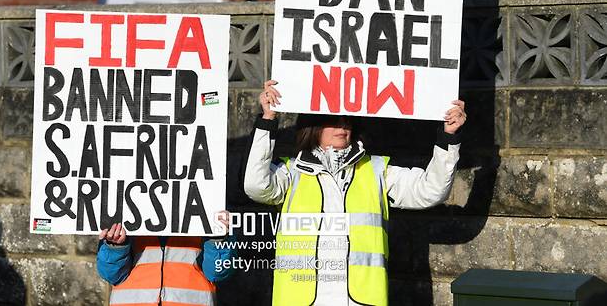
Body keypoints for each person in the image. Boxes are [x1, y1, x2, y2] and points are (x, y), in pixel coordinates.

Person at [244, 80, 466, 306]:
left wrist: (449, 137)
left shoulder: (377, 170)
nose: (342, 126)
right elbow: (255, 185)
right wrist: (268, 120)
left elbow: (431, 191)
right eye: (333, 119)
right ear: (312, 125)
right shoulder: (291, 173)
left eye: (347, 120)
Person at [96, 212, 236, 306]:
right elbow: (111, 274)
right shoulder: (123, 212)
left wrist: (219, 238)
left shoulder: (209, 209)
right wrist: (116, 245)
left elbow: (217, 273)